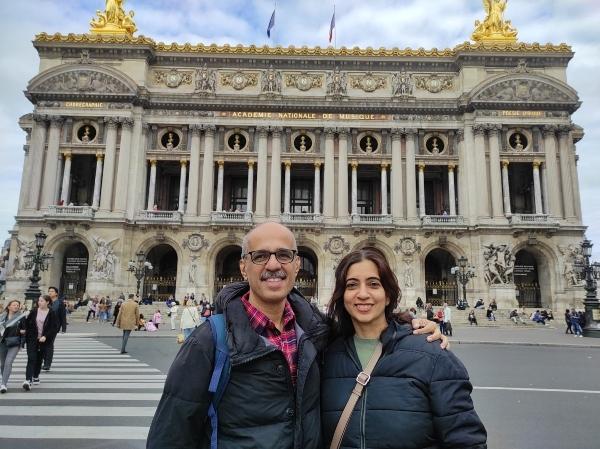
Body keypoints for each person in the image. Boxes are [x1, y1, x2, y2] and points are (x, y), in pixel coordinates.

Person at [147, 222, 446, 449]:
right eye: (260, 256)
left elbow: (368, 326)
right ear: (243, 267)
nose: (273, 265)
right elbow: (171, 434)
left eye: (284, 255)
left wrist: (410, 326)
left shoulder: (319, 332)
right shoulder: (209, 341)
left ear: (297, 265)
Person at [321, 247, 486, 449]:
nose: (362, 294)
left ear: (388, 295)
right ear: (342, 295)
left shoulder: (431, 355)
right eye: (352, 285)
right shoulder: (324, 355)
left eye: (373, 284)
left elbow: (466, 441)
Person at [23, 295, 58, 390]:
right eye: (39, 301)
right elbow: (27, 323)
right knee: (31, 358)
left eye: (42, 301)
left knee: (39, 359)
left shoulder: (51, 313)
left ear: (47, 302)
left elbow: (53, 327)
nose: (39, 302)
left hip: (43, 341)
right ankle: (28, 380)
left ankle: (36, 376)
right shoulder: (34, 311)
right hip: (32, 339)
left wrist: (45, 336)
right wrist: (24, 330)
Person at [0, 300, 27, 393]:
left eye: (17, 305)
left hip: (14, 342)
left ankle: (3, 384)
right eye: (14, 305)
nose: (16, 306)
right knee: (2, 364)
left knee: (8, 362)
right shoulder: (2, 317)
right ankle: (4, 379)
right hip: (2, 342)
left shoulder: (21, 317)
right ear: (9, 307)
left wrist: (22, 343)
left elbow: (24, 331)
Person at [42, 286, 66, 372]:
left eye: (52, 291)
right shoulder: (46, 302)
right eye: (49, 291)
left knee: (49, 344)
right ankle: (45, 361)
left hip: (54, 326)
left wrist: (63, 328)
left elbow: (63, 316)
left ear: (56, 293)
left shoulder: (59, 303)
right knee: (43, 344)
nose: (50, 293)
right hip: (43, 326)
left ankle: (47, 364)